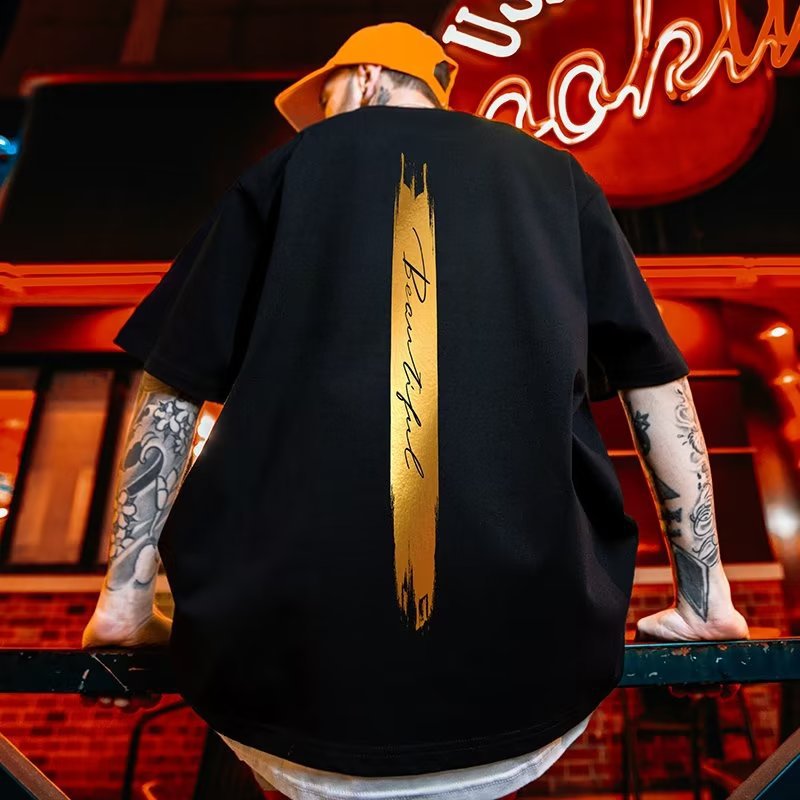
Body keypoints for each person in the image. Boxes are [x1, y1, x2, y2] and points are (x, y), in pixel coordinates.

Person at [81, 20, 750, 800]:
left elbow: (171, 383)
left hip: (288, 681)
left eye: (326, 96)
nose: (322, 119)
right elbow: (657, 385)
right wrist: (706, 600)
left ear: (365, 77)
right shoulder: (555, 178)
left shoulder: (287, 171)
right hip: (526, 676)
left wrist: (126, 601)